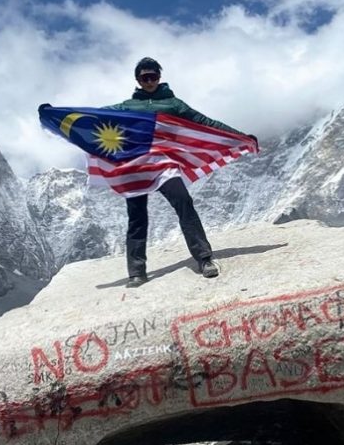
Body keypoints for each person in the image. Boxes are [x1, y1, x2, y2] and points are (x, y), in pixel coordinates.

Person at [105, 57, 249, 288]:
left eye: (153, 76)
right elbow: (95, 116)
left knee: (183, 202)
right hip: (136, 165)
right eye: (145, 77)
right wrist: (58, 115)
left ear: (159, 77)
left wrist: (239, 135)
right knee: (137, 216)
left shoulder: (174, 104)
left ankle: (204, 258)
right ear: (138, 80)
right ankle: (137, 272)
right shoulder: (126, 107)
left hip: (164, 164)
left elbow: (204, 122)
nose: (149, 81)